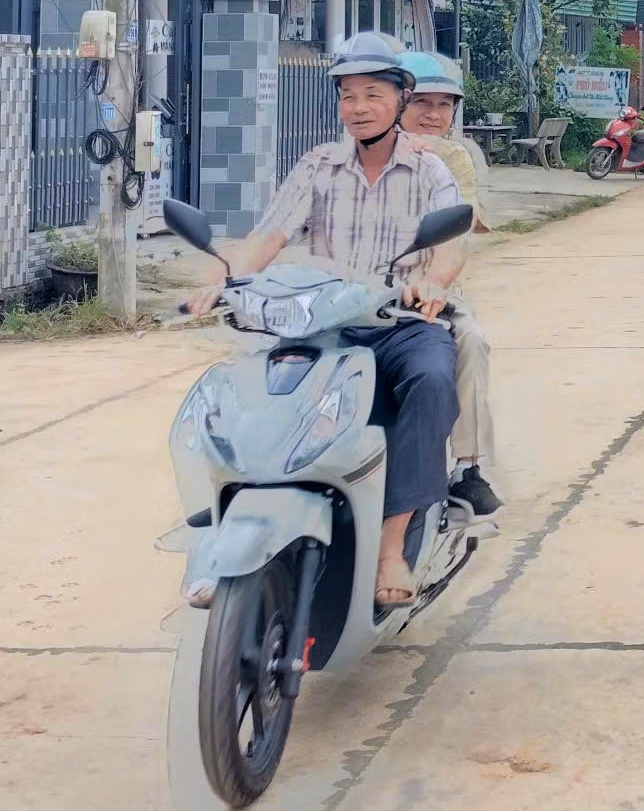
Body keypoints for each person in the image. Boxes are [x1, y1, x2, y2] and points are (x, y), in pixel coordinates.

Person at [196, 34, 464, 611]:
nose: (359, 107)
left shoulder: (428, 168)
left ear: (400, 98)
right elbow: (267, 237)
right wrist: (222, 280)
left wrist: (434, 281)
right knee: (247, 398)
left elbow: (450, 244)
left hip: (398, 321)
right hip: (325, 323)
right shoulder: (318, 165)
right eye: (348, 95)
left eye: (373, 94)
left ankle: (391, 547)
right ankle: (227, 539)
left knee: (433, 378)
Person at [399, 50, 501, 517]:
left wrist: (434, 282)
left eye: (444, 105)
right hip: (362, 290)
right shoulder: (356, 153)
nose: (433, 115)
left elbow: (463, 227)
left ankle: (467, 466)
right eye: (422, 102)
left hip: (434, 290)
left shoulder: (455, 157)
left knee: (470, 342)